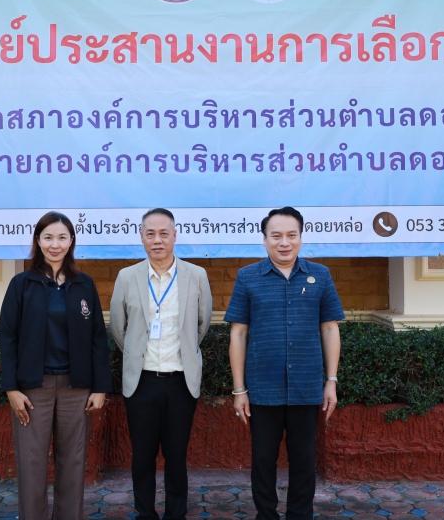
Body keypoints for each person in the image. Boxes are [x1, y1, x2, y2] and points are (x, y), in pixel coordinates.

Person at [226, 206, 343, 520]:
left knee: (303, 460)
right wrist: (239, 390)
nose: (284, 242)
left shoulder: (320, 275)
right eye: (276, 235)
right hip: (262, 389)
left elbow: (330, 328)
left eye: (291, 235)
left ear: (301, 238)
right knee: (263, 460)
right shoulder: (248, 276)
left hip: (306, 386)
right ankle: (266, 515)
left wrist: (331, 381)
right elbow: (238, 334)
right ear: (264, 240)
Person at [0, 211, 112, 520]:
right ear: (38, 241)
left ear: (71, 241)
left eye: (62, 237)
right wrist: (12, 389)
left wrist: (100, 388)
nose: (55, 244)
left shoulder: (84, 284)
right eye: (48, 237)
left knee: (73, 463)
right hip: (33, 389)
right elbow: (7, 338)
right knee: (31, 464)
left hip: (77, 389)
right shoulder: (22, 284)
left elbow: (97, 338)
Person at [109, 208, 213, 520]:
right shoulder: (127, 277)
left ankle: (175, 514)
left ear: (174, 236)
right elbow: (118, 328)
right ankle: (145, 513)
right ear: (141, 237)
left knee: (176, 455)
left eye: (164, 233)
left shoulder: (196, 275)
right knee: (142, 455)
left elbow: (202, 324)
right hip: (141, 381)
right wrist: (136, 354)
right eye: (151, 234)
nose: (157, 240)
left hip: (181, 380)